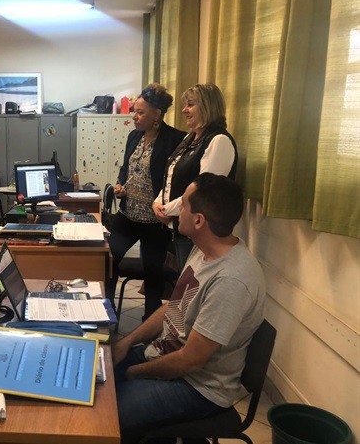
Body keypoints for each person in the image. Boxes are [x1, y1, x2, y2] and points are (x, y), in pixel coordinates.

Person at [112, 173, 265, 443]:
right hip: (165, 357)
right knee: (97, 375)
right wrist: (127, 342)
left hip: (198, 388)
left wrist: (133, 372)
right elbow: (173, 309)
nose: (176, 209)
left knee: (108, 414)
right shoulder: (203, 249)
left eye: (182, 204)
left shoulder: (231, 280)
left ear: (198, 221)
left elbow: (190, 361)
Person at [107, 84, 185, 319]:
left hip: (155, 221)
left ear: (157, 114)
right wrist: (120, 185)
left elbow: (175, 179)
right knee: (107, 262)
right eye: (134, 111)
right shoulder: (134, 136)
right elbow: (126, 168)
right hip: (128, 216)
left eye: (140, 112)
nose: (134, 116)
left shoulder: (175, 139)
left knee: (153, 275)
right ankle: (106, 311)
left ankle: (149, 323)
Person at [153, 83, 238, 271]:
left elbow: (201, 191)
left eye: (190, 105)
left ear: (207, 107)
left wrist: (166, 210)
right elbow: (171, 175)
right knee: (180, 282)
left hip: (199, 233)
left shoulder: (219, 141)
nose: (184, 110)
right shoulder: (190, 138)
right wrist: (157, 202)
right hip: (179, 226)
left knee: (192, 283)